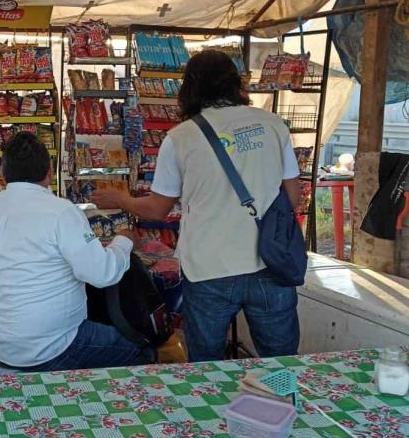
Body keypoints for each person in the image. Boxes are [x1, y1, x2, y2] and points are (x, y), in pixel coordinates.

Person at [94, 49, 302, 362]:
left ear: (190, 87)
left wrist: (120, 199)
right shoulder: (273, 124)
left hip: (209, 268)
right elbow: (293, 197)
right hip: (271, 263)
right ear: (235, 83)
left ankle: (214, 408)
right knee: (283, 361)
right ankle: (285, 406)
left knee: (207, 365)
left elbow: (157, 209)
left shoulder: (181, 137)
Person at [0, 131, 153, 371]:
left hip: (0, 344)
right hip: (54, 346)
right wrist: (124, 240)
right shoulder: (61, 212)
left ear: (4, 174)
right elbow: (103, 274)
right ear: (49, 172)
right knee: (142, 348)